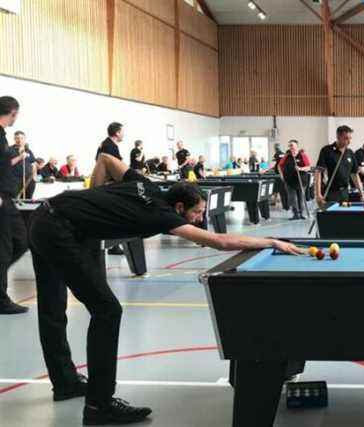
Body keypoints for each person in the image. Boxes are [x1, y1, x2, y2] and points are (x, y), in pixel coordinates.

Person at [28, 152, 301, 424]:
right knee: (107, 310)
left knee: (52, 307)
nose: (198, 219)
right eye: (197, 213)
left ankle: (65, 383)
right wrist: (271, 242)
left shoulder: (146, 184)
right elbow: (218, 241)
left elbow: (105, 160)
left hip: (44, 218)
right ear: (179, 207)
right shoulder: (161, 215)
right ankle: (99, 405)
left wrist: (93, 200)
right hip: (59, 231)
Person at [0, 96, 29, 314]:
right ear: (12, 112)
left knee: (21, 240)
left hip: (8, 198)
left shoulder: (2, 136)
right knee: (4, 248)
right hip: (1, 198)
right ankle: (1, 300)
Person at [315, 125, 364, 208]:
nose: (349, 141)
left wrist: (362, 195)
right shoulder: (326, 151)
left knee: (344, 219)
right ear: (338, 137)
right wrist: (318, 194)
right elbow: (318, 173)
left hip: (345, 193)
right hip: (330, 193)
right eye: (346, 138)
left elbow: (355, 175)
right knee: (329, 219)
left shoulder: (350, 153)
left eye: (350, 138)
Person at [278, 140, 311, 220]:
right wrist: (282, 175)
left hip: (301, 181)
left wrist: (300, 168)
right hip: (289, 181)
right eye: (289, 145)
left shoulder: (303, 155)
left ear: (297, 146)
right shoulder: (286, 156)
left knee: (300, 198)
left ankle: (301, 213)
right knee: (292, 198)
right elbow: (279, 166)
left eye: (292, 145)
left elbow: (308, 167)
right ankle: (295, 214)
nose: (290, 147)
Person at [11, 130, 37, 198]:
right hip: (15, 180)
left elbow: (33, 164)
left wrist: (34, 178)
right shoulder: (9, 150)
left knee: (28, 200)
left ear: (24, 139)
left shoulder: (28, 150)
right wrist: (20, 157)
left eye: (21, 138)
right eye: (17, 138)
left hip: (29, 180)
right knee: (15, 200)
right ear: (14, 139)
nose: (19, 140)